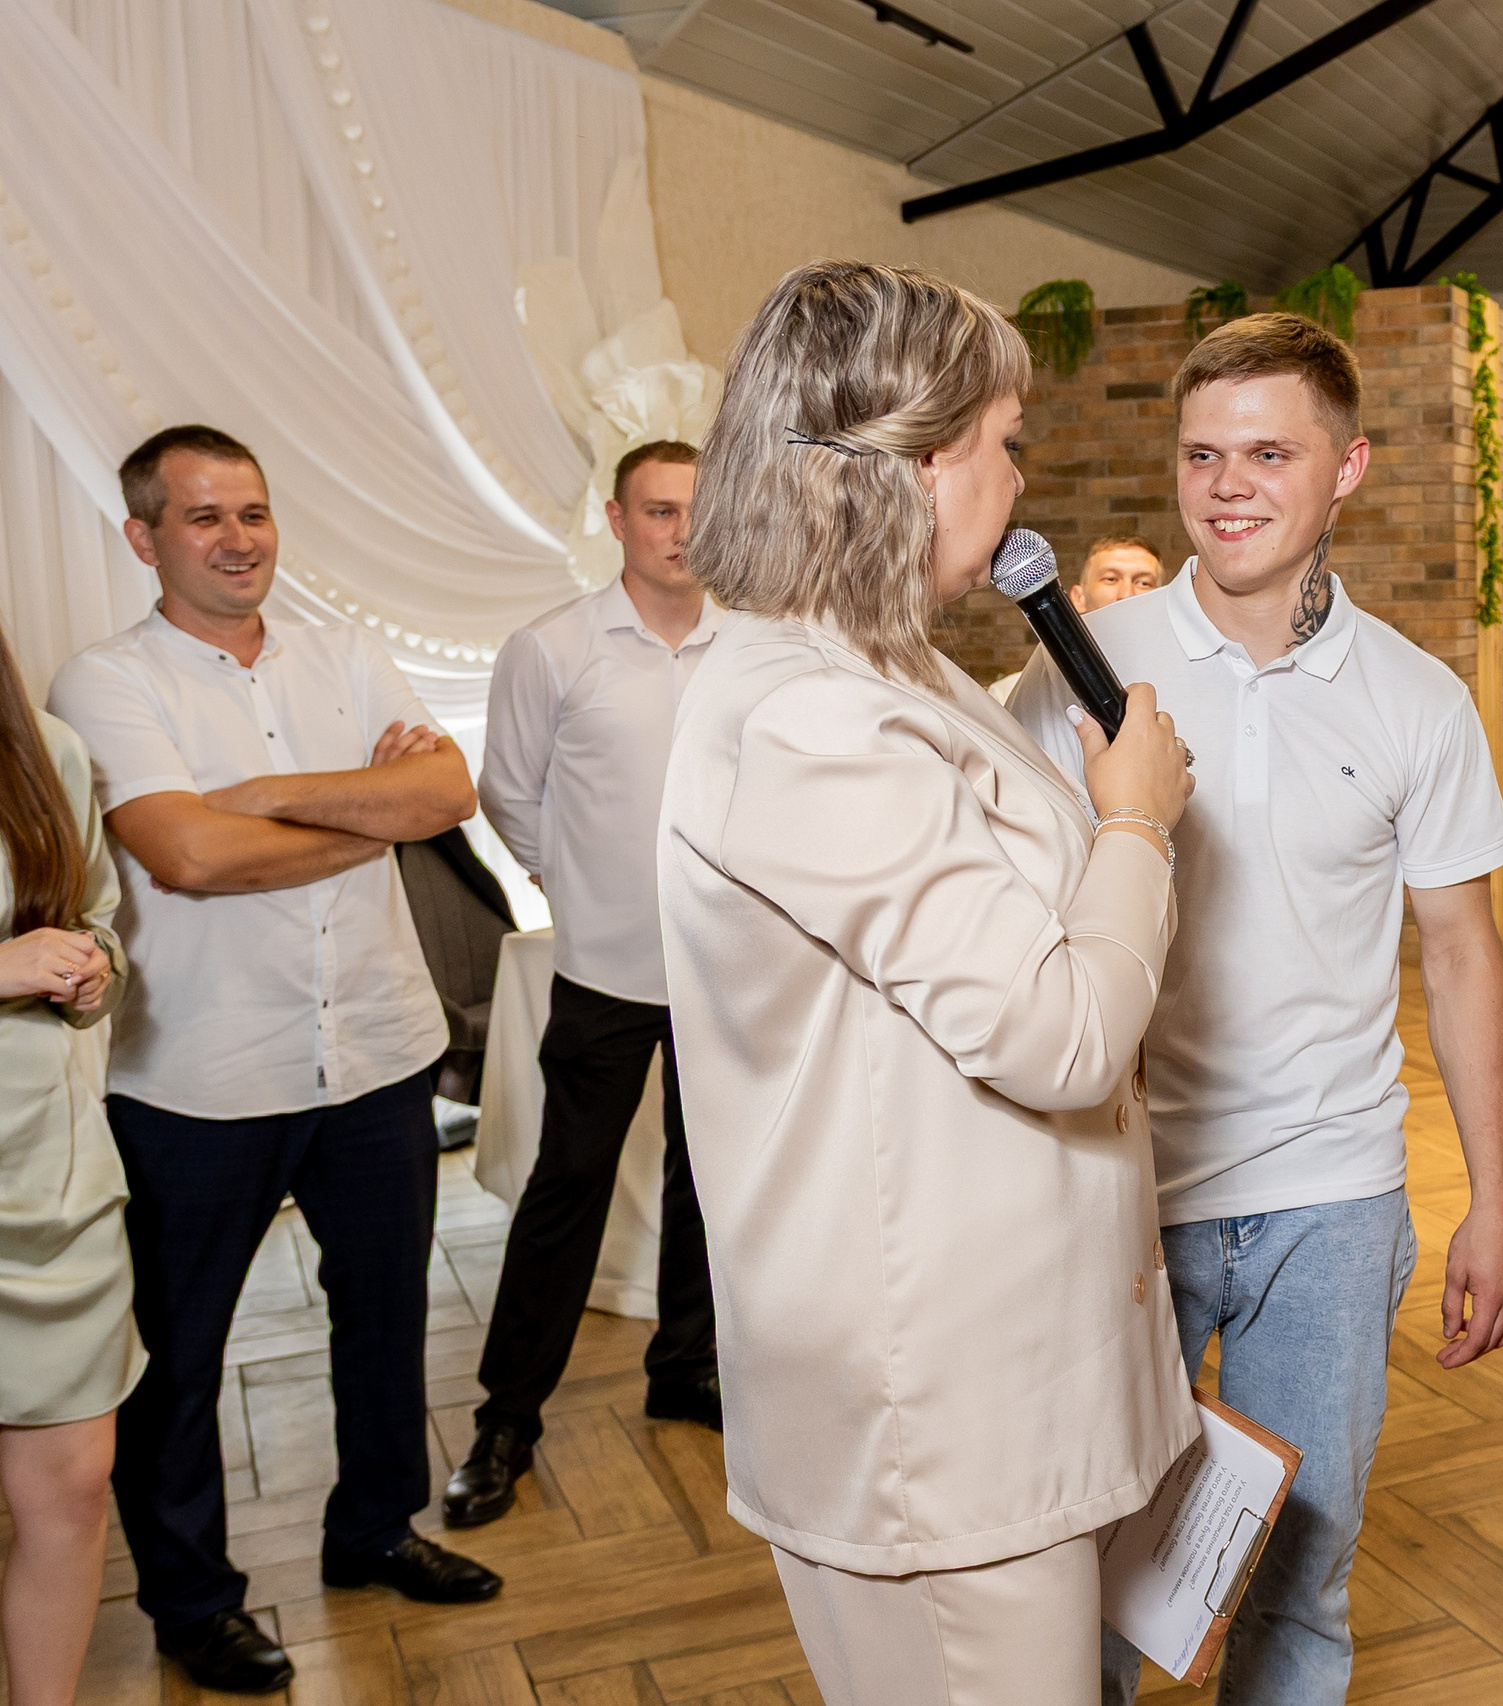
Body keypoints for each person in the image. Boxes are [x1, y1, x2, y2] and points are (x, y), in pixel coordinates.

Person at [657, 260, 1197, 1706]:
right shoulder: (810, 716)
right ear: (910, 458)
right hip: (931, 1395)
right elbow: (1061, 1030)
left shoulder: (892, 672)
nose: (1022, 480)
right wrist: (1136, 817)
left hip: (1003, 1352)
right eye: (1007, 442)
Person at [1012, 311, 1503, 1706]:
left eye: (1268, 452)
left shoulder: (1418, 701)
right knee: (1096, 1574)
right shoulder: (1077, 664)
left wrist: (1493, 1196)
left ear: (1347, 467)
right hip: (1120, 1184)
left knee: (1304, 1576)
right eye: (1201, 453)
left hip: (1332, 1195)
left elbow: (1464, 953)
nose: (1228, 483)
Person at [47, 426, 500, 1695]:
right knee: (180, 1359)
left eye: (253, 511)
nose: (238, 537)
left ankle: (371, 1529)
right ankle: (193, 1601)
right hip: (197, 1079)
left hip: (375, 1049)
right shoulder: (104, 683)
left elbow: (448, 793)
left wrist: (250, 795)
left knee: (386, 1319)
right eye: (204, 517)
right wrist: (363, 808)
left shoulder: (347, 653)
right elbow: (185, 859)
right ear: (144, 537)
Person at [443, 439, 722, 1530]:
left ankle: (686, 1365)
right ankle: (507, 1417)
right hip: (603, 971)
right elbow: (509, 794)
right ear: (616, 518)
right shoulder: (552, 648)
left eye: (698, 510)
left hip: (725, 974)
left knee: (716, 1184)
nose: (681, 531)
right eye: (658, 510)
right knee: (569, 1189)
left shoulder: (750, 647)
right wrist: (583, 884)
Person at [0, 618, 139, 1706]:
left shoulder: (46, 747)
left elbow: (96, 917)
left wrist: (97, 970)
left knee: (76, 1483)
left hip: (47, 1173)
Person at [987, 534, 1160, 703]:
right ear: (1078, 597)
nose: (1126, 594)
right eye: (1110, 579)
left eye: (1143, 583)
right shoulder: (1006, 694)